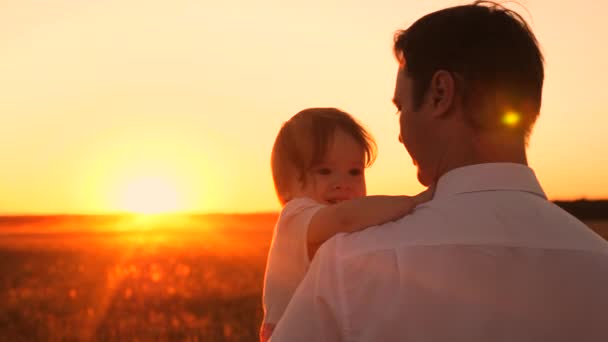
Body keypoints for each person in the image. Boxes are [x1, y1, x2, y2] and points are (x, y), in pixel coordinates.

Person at [270, 2, 608, 341]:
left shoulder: (348, 265)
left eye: (401, 107)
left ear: (440, 94)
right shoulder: (600, 264)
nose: (400, 134)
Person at [260, 107, 433, 341]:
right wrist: (416, 201)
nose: (342, 183)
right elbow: (345, 217)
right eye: (324, 171)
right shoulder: (296, 216)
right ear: (287, 188)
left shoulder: (342, 229)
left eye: (354, 172)